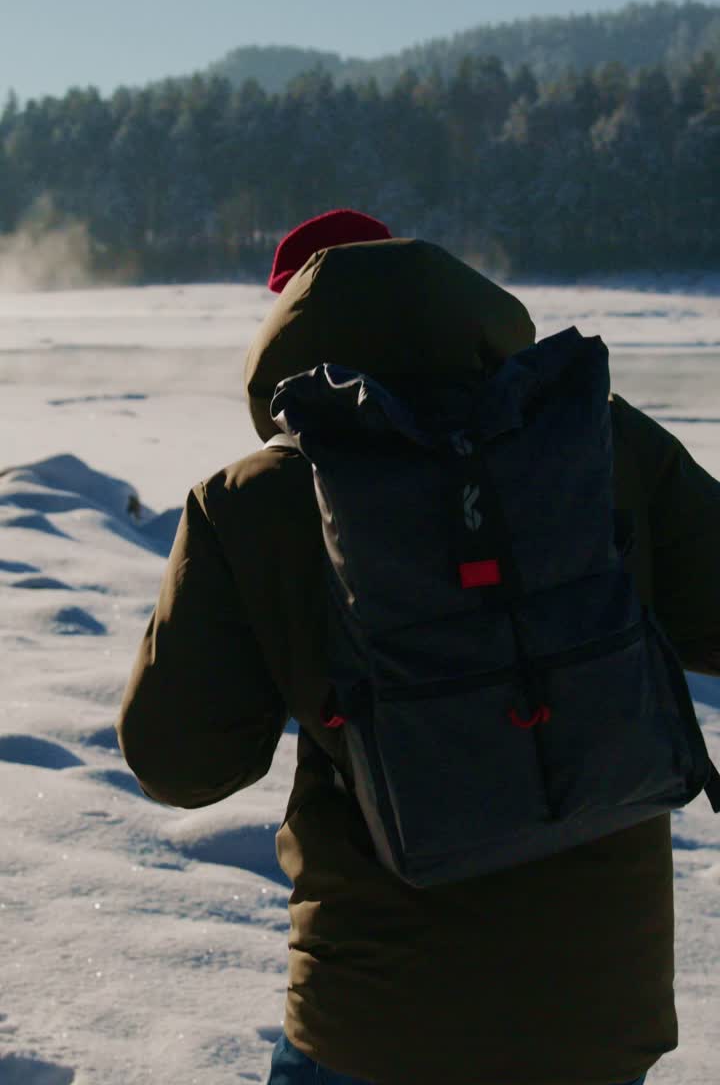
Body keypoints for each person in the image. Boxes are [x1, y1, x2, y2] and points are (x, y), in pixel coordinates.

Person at [117, 210, 720, 1085]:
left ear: (284, 327)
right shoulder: (601, 437)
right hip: (599, 1016)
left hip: (373, 1018)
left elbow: (179, 762)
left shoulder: (256, 501)